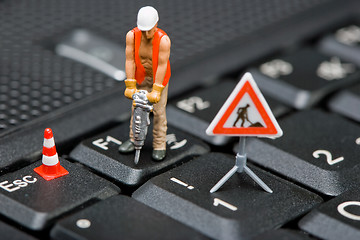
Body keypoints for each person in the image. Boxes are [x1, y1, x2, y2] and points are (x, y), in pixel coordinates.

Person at [119, 6, 171, 161]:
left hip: (158, 80)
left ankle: (159, 144)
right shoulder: (132, 36)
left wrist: (157, 90)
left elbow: (162, 66)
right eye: (143, 30)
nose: (146, 34)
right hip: (140, 79)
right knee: (136, 110)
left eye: (149, 30)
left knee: (159, 112)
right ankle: (134, 139)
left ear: (156, 24)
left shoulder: (163, 40)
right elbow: (130, 60)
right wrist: (130, 85)